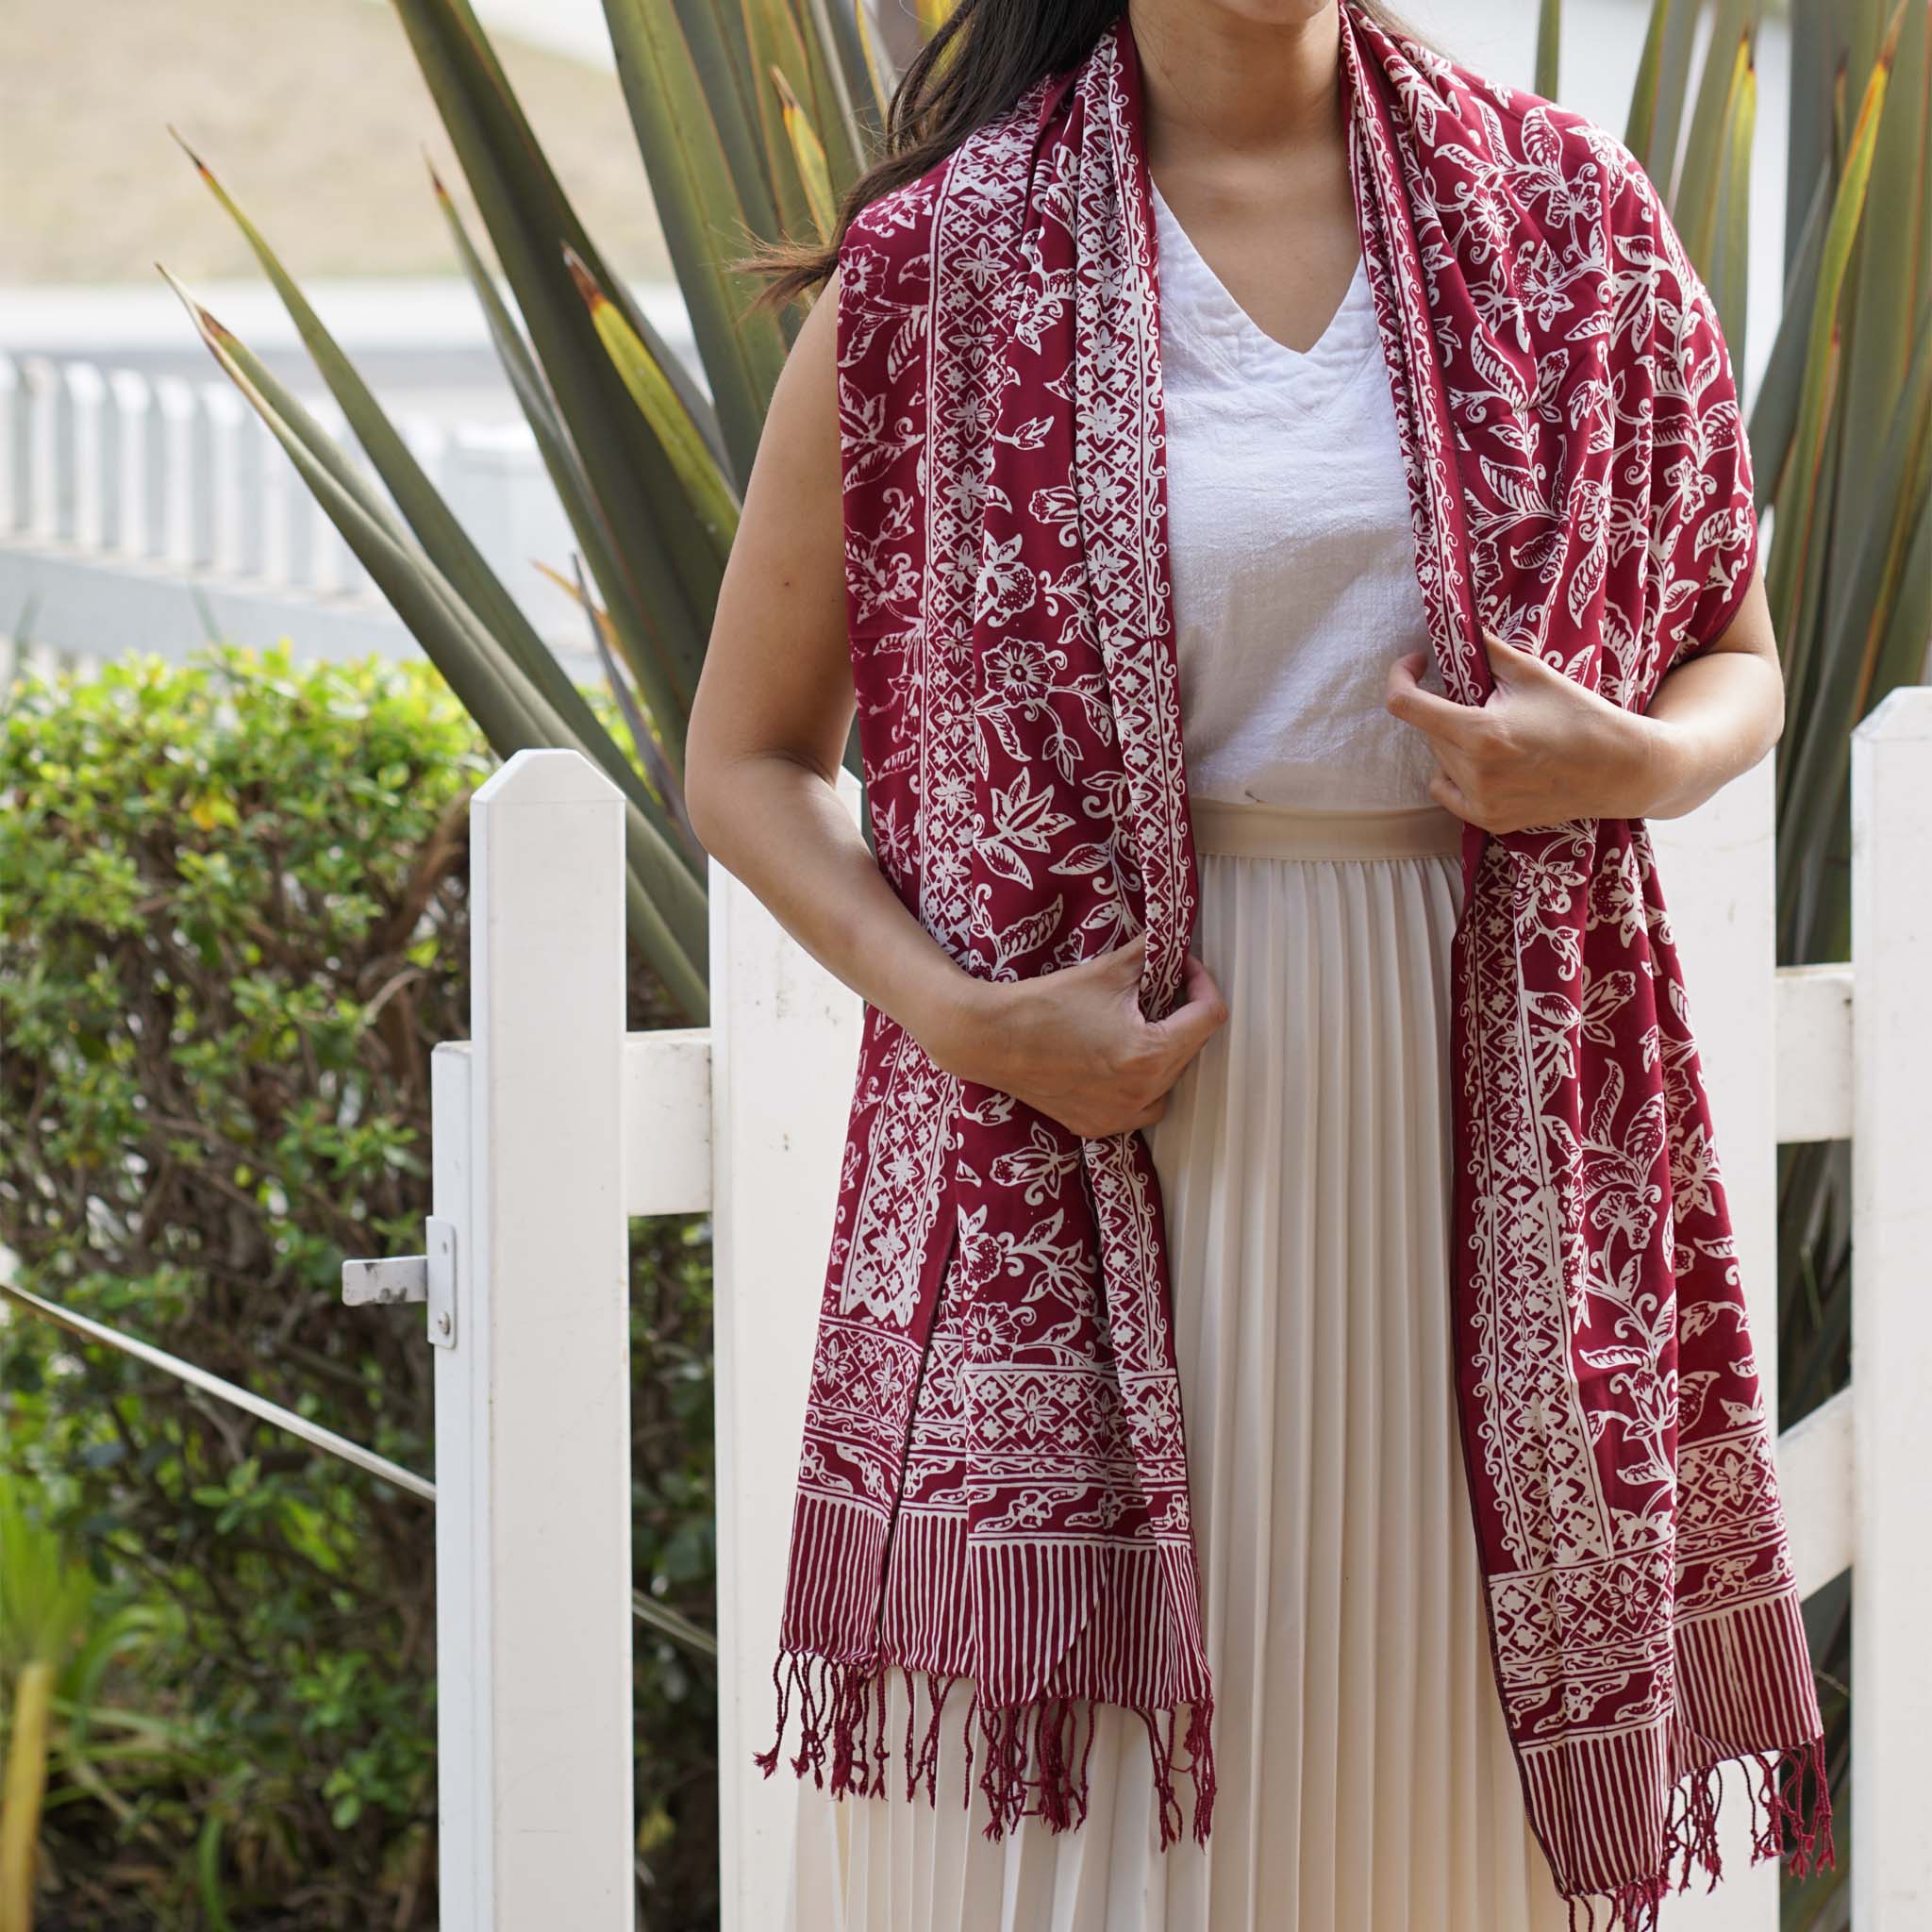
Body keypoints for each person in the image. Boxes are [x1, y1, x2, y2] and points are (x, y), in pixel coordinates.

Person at [684, 4, 1789, 1928]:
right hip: (1103, 1116)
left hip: (1482, 1143)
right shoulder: (936, 268)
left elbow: (1735, 656)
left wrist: (1635, 763)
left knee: (1430, 1789)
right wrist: (967, 1020)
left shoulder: (1572, 216)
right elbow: (745, 760)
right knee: (1110, 1844)